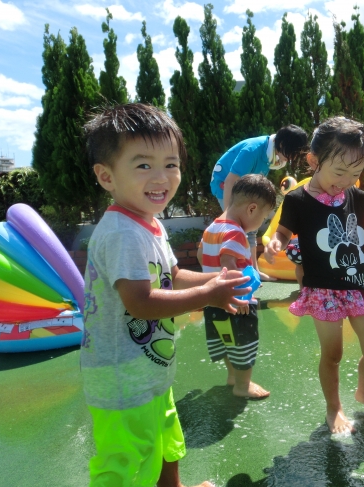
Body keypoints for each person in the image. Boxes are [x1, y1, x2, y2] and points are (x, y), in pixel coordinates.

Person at [81, 103, 251, 487]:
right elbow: (140, 302)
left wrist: (213, 279)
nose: (162, 177)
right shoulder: (122, 233)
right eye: (143, 165)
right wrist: (208, 296)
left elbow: (172, 275)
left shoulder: (148, 223)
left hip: (147, 370)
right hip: (121, 379)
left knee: (165, 439)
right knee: (125, 460)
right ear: (106, 176)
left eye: (171, 164)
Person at [264, 117, 364, 434]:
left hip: (357, 287)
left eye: (355, 173)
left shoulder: (352, 195)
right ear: (313, 161)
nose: (347, 180)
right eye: (339, 172)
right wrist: (275, 244)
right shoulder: (297, 199)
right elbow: (282, 231)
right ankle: (333, 409)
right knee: (333, 354)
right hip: (322, 290)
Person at [199, 174, 277, 399]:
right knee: (244, 342)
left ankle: (232, 376)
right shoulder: (236, 233)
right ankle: (243, 385)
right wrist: (240, 297)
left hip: (213, 300)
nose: (260, 225)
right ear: (252, 209)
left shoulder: (213, 227)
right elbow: (228, 265)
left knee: (226, 340)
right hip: (236, 300)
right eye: (263, 218)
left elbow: (200, 253)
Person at [210, 125, 308, 281]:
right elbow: (229, 181)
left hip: (243, 188)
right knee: (237, 229)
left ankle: (254, 271)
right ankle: (238, 274)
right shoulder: (253, 151)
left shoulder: (269, 155)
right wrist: (229, 215)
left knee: (251, 229)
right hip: (224, 185)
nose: (291, 159)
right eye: (290, 154)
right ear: (282, 145)